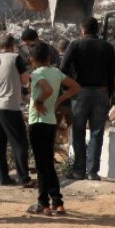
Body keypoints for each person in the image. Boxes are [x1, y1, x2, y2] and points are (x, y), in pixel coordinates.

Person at [26, 41, 80, 215]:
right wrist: (59, 100)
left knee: (42, 165)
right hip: (50, 122)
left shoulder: (35, 74)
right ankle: (56, 202)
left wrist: (40, 100)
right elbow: (75, 87)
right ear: (49, 57)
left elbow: (47, 89)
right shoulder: (56, 72)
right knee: (48, 162)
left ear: (32, 60)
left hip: (37, 122)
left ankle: (44, 203)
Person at [59, 17, 115, 180]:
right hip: (101, 92)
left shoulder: (75, 45)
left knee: (78, 132)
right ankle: (92, 171)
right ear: (97, 30)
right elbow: (112, 72)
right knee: (97, 133)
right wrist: (109, 93)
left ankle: (78, 170)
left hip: (80, 92)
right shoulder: (108, 47)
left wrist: (67, 89)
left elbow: (62, 69)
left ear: (83, 30)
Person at [0, 33, 34, 187]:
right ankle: (24, 177)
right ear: (12, 46)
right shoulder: (15, 58)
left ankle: (4, 177)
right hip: (10, 106)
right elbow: (24, 80)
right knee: (20, 142)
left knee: (0, 143)